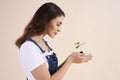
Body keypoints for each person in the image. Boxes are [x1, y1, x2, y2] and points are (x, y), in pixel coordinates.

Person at [15, 2, 92, 80]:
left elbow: (52, 76)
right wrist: (70, 59)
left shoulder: (44, 43)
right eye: (58, 24)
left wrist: (71, 59)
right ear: (46, 21)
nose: (59, 29)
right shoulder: (28, 48)